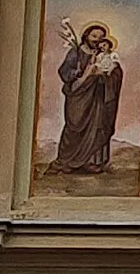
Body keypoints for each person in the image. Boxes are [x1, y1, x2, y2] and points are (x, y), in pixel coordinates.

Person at [51, 21, 124, 174]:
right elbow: (64, 72)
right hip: (80, 96)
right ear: (86, 36)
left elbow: (114, 72)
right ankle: (66, 161)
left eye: (101, 37)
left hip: (98, 98)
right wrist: (80, 73)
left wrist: (110, 74)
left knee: (98, 127)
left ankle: (93, 162)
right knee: (74, 127)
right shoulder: (76, 52)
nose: (97, 40)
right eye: (94, 36)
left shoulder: (104, 55)